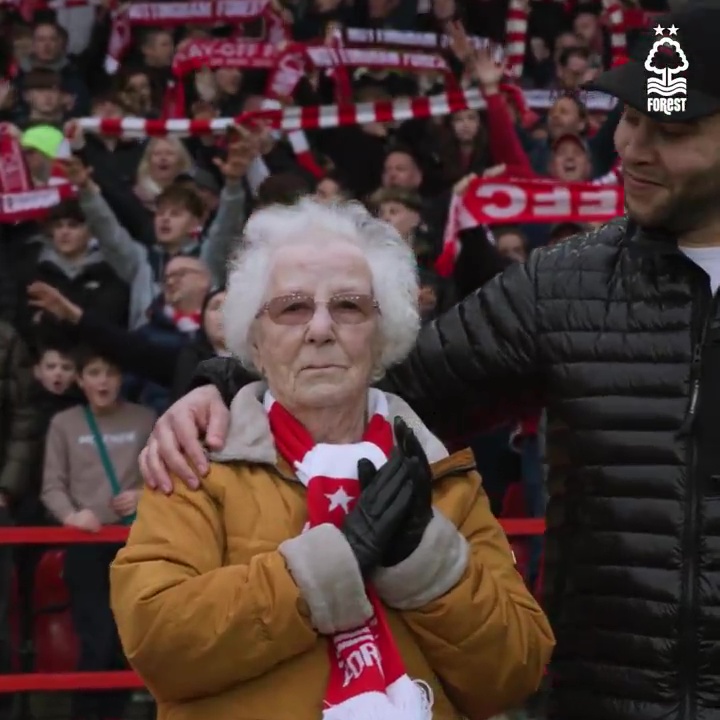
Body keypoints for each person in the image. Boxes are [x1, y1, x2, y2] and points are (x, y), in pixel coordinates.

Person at [139, 7, 720, 720]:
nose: (631, 147)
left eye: (673, 130)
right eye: (630, 117)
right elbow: (374, 377)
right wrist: (227, 384)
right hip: (612, 702)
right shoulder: (563, 286)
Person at [109, 199, 553, 720]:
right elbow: (158, 642)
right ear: (254, 335)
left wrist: (428, 565)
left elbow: (514, 671)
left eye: (348, 306)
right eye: (292, 308)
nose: (320, 329)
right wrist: (325, 569)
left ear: (383, 333)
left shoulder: (439, 472)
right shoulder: (198, 459)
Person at [42, 346, 155, 720]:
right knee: (96, 636)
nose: (102, 381)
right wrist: (71, 516)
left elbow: (163, 473)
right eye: (93, 373)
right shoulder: (65, 423)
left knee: (130, 637)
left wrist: (142, 495)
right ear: (80, 379)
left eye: (110, 372)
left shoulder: (144, 418)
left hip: (134, 541)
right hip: (86, 543)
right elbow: (51, 485)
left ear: (121, 378)